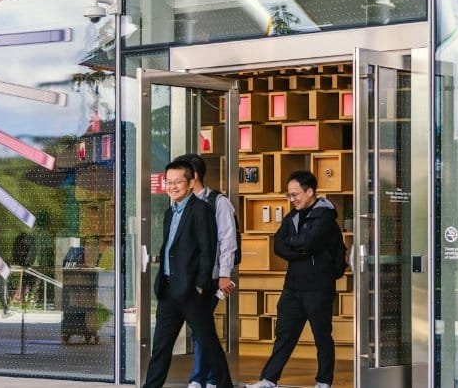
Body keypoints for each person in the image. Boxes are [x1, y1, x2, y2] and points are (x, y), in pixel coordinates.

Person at [144, 157, 234, 388]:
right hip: (168, 289)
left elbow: (208, 249)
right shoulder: (168, 213)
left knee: (208, 342)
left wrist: (201, 285)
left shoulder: (201, 209)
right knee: (161, 346)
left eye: (178, 182)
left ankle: (225, 385)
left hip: (192, 291)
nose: (172, 186)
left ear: (191, 182)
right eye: (168, 182)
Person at [248, 170, 342, 388]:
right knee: (284, 335)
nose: (292, 199)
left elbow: (310, 242)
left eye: (295, 194)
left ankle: (323, 381)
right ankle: (269, 379)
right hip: (293, 287)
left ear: (310, 192)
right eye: (289, 195)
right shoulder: (293, 216)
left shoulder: (325, 216)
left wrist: (297, 245)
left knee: (322, 336)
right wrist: (298, 250)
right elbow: (278, 245)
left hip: (318, 287)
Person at [180, 153, 238, 388]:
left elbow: (227, 239)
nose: (174, 182)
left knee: (201, 328)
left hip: (212, 276)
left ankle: (202, 378)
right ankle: (211, 378)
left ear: (193, 177)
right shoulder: (182, 203)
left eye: (180, 176)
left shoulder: (218, 202)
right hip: (190, 276)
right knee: (201, 328)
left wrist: (224, 274)